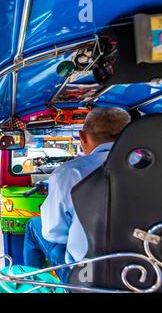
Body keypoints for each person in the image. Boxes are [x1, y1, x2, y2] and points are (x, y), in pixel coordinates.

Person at [23, 107, 131, 282]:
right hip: (142, 272)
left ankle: (32, 285)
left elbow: (53, 233)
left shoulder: (69, 173)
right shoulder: (148, 168)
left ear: (82, 137)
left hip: (86, 276)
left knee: (34, 225)